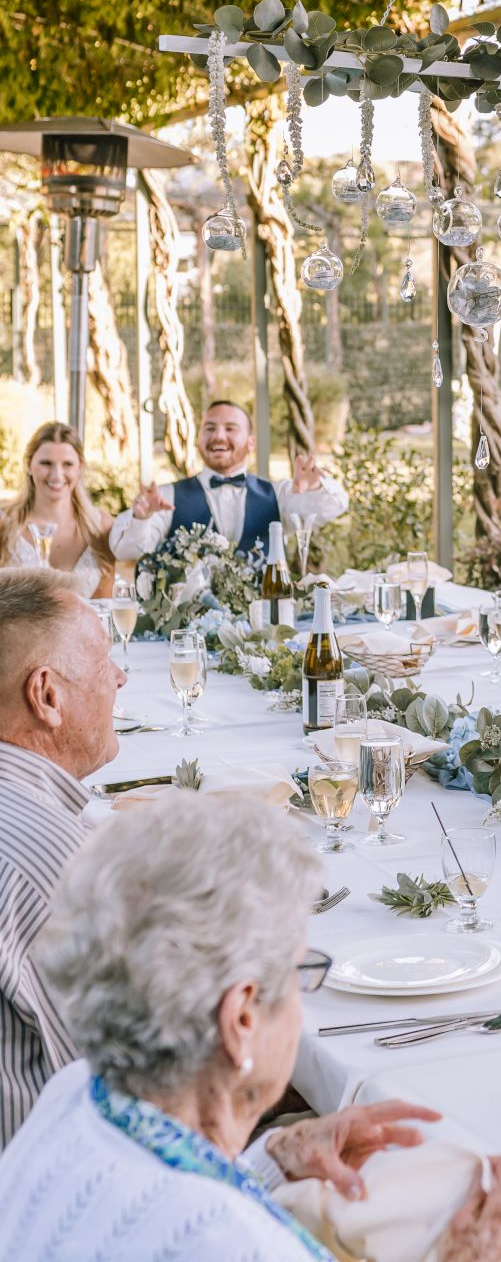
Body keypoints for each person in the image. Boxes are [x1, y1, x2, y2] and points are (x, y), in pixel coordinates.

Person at [0, 793, 501, 1262]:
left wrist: (271, 1164)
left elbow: (154, 1198)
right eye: (301, 970)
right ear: (242, 1020)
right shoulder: (232, 1242)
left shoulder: (74, 1096)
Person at [0, 568, 126, 1146]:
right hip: (35, 1186)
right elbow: (132, 1090)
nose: (121, 678)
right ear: (47, 695)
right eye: (105, 664)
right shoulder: (54, 862)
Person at [109, 399, 348, 564]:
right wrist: (142, 519)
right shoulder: (166, 498)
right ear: (199, 439)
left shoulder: (279, 494)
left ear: (251, 442)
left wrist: (312, 488)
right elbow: (122, 551)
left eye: (230, 428)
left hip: (266, 626)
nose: (218, 436)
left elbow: (333, 508)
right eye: (209, 428)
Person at [0, 422, 115, 596]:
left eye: (67, 464)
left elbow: (105, 605)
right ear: (28, 465)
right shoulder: (5, 522)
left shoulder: (102, 526)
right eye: (46, 463)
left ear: (80, 468)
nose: (56, 475)